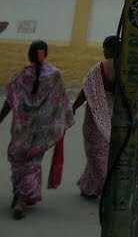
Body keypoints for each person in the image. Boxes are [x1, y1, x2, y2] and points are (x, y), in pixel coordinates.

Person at [0, 41, 74, 219]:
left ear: (29, 54)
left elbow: (10, 99)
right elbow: (62, 103)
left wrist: (0, 117)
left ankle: (19, 194)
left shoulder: (21, 75)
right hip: (41, 130)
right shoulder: (55, 75)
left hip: (21, 129)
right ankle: (22, 200)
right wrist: (63, 121)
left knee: (18, 161)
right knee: (32, 163)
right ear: (45, 54)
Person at [73, 35, 117, 199]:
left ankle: (107, 187)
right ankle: (89, 186)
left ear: (110, 49)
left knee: (96, 152)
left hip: (96, 115)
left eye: (105, 48)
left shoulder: (98, 68)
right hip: (114, 115)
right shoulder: (126, 69)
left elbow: (85, 91)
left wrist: (74, 107)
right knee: (105, 151)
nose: (103, 51)